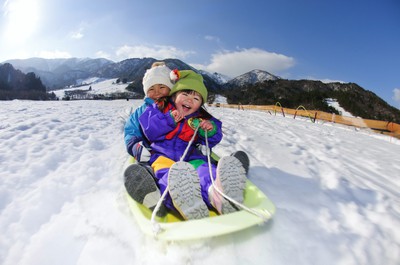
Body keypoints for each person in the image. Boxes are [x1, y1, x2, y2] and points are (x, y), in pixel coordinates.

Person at [138, 70, 247, 220]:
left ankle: (218, 194)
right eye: (186, 94)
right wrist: (169, 119)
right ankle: (182, 200)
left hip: (190, 155)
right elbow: (150, 129)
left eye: (196, 98)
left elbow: (214, 138)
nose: (190, 100)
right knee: (167, 176)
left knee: (204, 171)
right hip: (162, 155)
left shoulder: (199, 119)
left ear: (199, 105)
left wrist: (209, 129)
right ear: (174, 95)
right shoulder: (160, 109)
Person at [123, 62, 174, 216]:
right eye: (151, 89)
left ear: (171, 88)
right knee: (156, 169)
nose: (157, 92)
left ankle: (216, 183)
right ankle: (152, 195)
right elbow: (131, 131)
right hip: (153, 152)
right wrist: (135, 146)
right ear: (146, 92)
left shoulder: (178, 106)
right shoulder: (141, 112)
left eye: (162, 87)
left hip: (181, 149)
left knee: (196, 165)